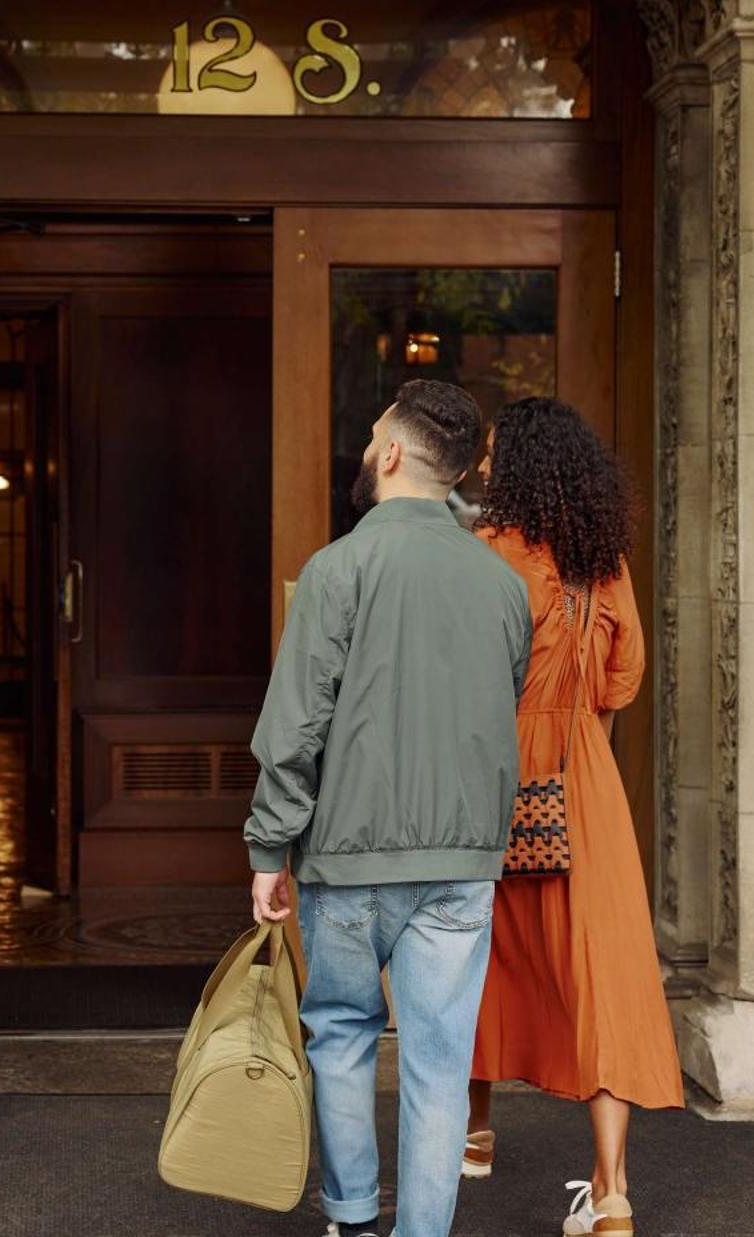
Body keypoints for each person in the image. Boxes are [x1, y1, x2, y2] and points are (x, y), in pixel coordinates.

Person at [247, 379, 533, 1237]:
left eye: (374, 436)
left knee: (338, 1034)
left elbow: (295, 724)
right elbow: (500, 705)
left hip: (350, 851)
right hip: (461, 858)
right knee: (442, 1061)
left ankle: (349, 1219)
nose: (368, 448)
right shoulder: (502, 583)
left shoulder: (340, 568)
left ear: (395, 453)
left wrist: (270, 847)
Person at [463, 398, 683, 1237]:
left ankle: (475, 1132)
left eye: (492, 457)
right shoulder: (605, 560)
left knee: (477, 949)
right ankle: (613, 1190)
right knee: (602, 970)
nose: (483, 469)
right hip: (583, 778)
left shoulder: (487, 554)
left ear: (516, 467)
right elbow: (622, 685)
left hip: (495, 771)